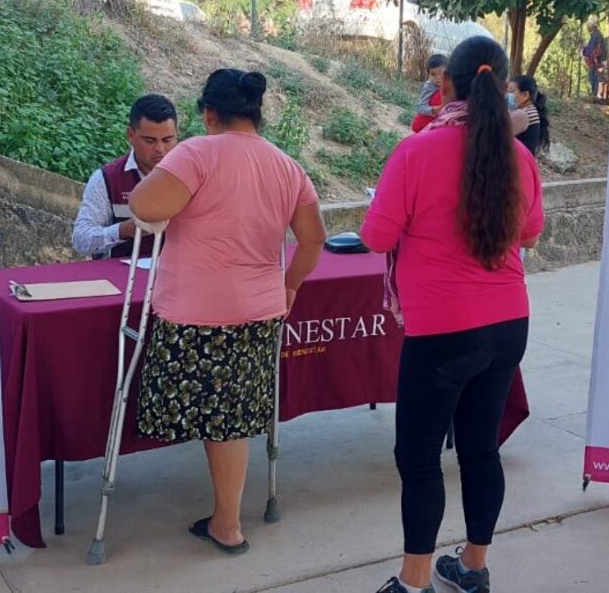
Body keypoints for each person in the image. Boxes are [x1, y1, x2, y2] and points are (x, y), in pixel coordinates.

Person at [362, 36, 544, 593]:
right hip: (508, 324)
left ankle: (413, 582)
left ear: (445, 84)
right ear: (503, 87)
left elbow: (376, 237)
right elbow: (530, 235)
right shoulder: (519, 157)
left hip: (442, 330)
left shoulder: (415, 152)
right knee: (480, 448)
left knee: (419, 457)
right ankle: (473, 567)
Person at [127, 69, 327, 554]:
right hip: (258, 310)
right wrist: (290, 285)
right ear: (256, 112)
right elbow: (314, 239)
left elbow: (144, 205)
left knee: (214, 418)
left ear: (208, 113)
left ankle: (229, 523)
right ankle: (227, 520)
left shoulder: (196, 152)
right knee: (231, 420)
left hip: (195, 311)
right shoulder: (286, 165)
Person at [71, 94, 180, 259]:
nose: (160, 148)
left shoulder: (190, 177)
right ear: (130, 135)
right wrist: (123, 230)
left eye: (167, 140)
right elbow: (81, 239)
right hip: (118, 272)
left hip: (175, 271)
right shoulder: (107, 179)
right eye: (150, 141)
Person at [507, 75, 549, 156]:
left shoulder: (524, 115)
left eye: (511, 92)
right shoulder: (529, 110)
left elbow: (499, 134)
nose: (508, 95)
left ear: (525, 95)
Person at [411, 54, 448, 133]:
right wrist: (432, 110)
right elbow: (420, 107)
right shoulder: (429, 87)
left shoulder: (449, 82)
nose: (438, 77)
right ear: (428, 75)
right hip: (424, 123)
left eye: (441, 73)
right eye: (433, 74)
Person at [582, 17, 605, 101]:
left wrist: (584, 51)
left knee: (592, 77)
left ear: (592, 26)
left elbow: (591, 48)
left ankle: (594, 95)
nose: (587, 27)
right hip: (597, 59)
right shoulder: (597, 34)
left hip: (594, 60)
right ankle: (594, 94)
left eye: (588, 25)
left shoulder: (595, 35)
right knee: (594, 76)